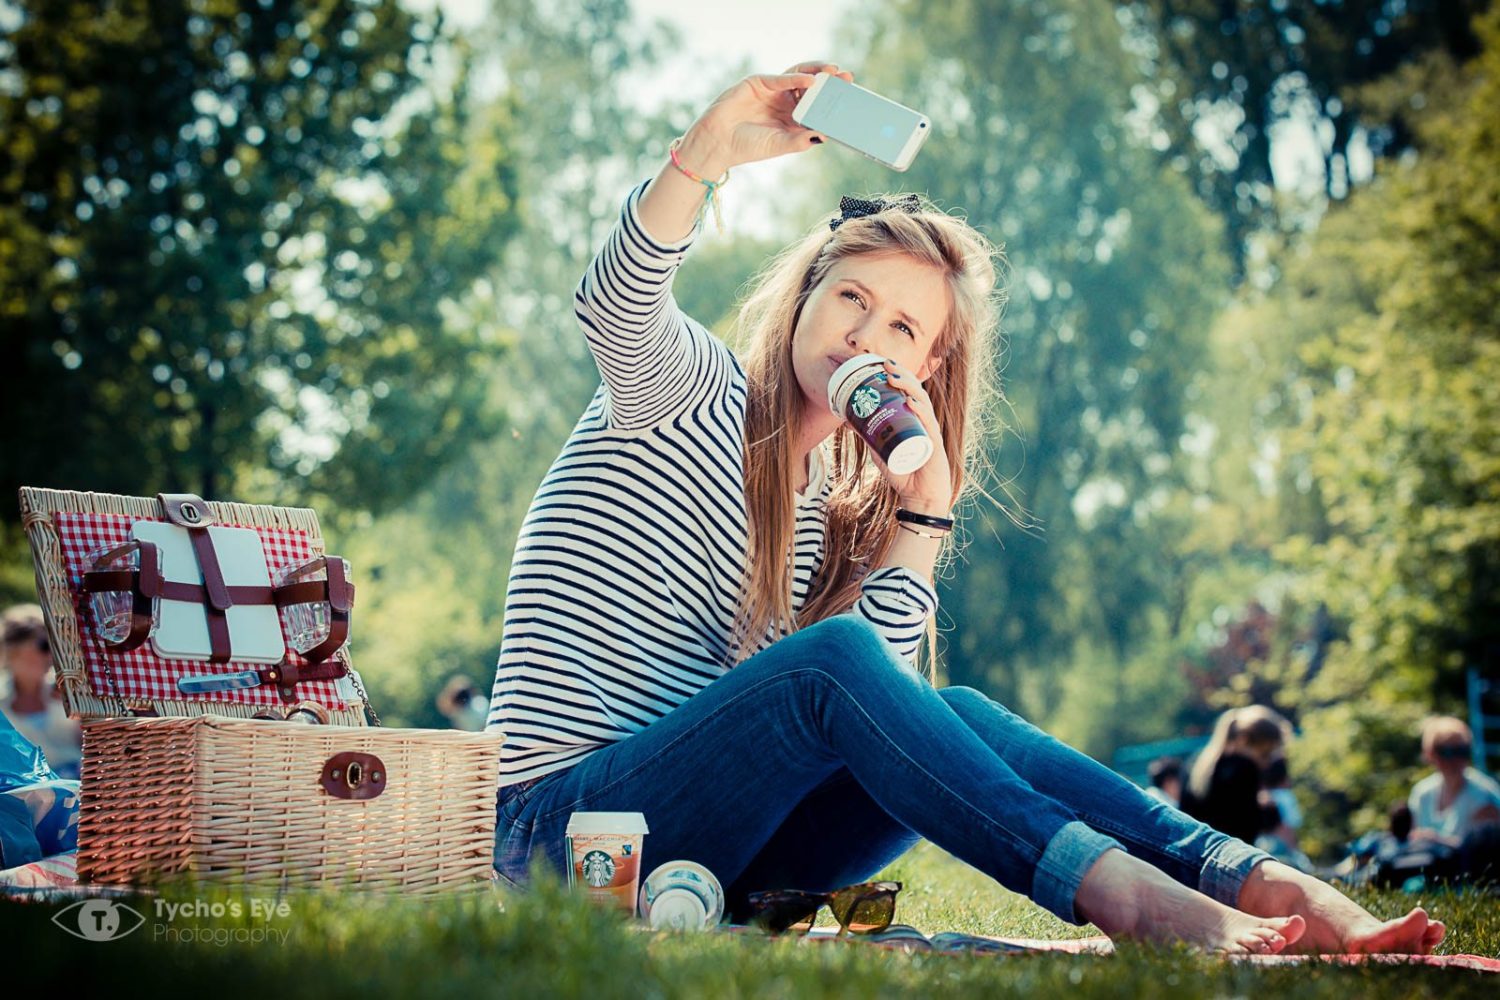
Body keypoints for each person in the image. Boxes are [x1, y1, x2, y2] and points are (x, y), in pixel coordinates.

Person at [485, 62, 1443, 954]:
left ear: (926, 364)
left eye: (902, 326)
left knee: (954, 711)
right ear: (806, 296)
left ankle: (1247, 875)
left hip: (704, 859)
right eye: (850, 298)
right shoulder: (693, 390)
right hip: (561, 835)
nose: (865, 334)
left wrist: (923, 514)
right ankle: (1123, 895)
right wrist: (707, 151)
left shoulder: (834, 503)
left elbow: (884, 728)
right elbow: (615, 301)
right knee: (832, 660)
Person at [1180, 705, 1289, 845]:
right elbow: (1247, 824)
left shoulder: (1198, 762)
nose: (1267, 763)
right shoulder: (1244, 768)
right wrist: (1268, 809)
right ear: (1244, 740)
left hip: (1198, 848)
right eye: (1265, 754)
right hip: (1230, 851)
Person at [0, 604, 81, 780]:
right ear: (14, 649)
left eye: (54, 645)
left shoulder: (67, 688)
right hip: (23, 789)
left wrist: (80, 708)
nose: (51, 655)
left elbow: (90, 743)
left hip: (80, 783)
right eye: (44, 645)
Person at [1408, 716, 1500, 847]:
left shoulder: (1484, 794)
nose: (1455, 760)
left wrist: (1438, 841)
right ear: (1430, 754)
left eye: (1462, 751)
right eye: (1446, 752)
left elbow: (1483, 848)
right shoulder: (1422, 793)